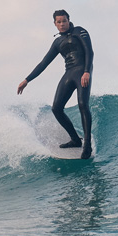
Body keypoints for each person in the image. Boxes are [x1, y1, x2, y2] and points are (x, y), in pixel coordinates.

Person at [17, 9, 94, 159]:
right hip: (69, 72)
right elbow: (43, 63)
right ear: (55, 24)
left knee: (82, 104)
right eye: (59, 22)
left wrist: (87, 72)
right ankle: (75, 139)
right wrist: (27, 80)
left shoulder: (80, 31)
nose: (62, 24)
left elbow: (89, 52)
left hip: (82, 72)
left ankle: (88, 145)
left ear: (68, 20)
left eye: (64, 21)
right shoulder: (57, 42)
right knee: (56, 108)